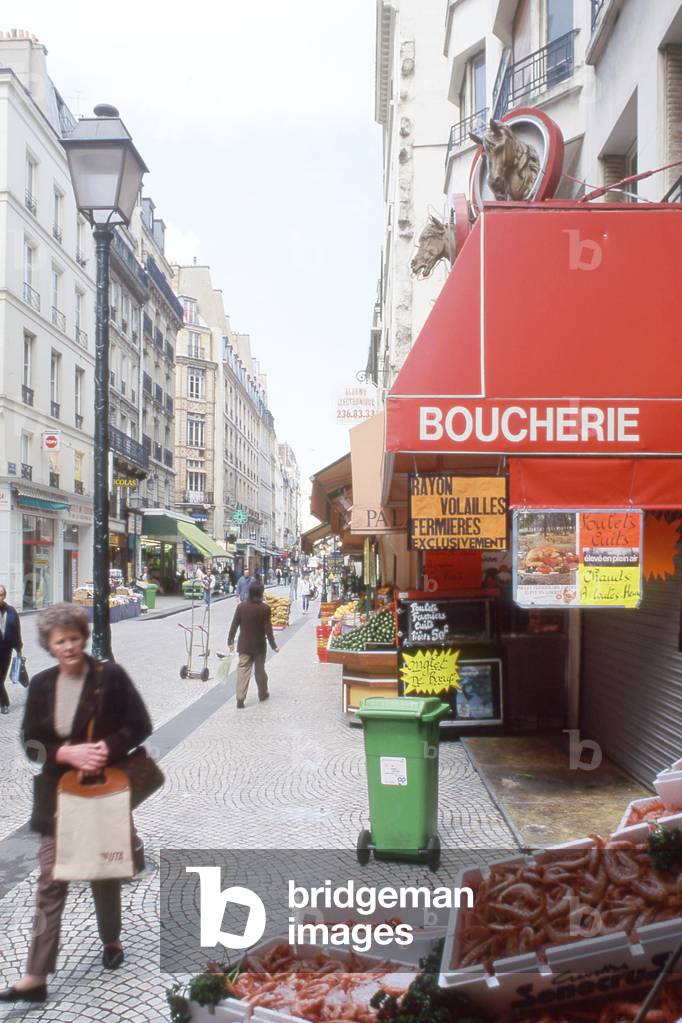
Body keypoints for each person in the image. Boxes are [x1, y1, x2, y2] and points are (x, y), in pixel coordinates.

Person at [0, 603, 152, 1005]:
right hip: (57, 797)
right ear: (49, 645)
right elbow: (30, 743)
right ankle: (35, 976)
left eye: (73, 638)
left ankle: (111, 939)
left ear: (84, 638)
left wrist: (106, 748)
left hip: (101, 790)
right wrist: (63, 753)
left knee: (103, 871)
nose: (68, 647)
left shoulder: (109, 677)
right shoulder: (42, 684)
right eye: (59, 641)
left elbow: (140, 724)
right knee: (51, 882)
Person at [227, 582, 278, 708]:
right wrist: (273, 645)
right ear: (261, 593)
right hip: (259, 646)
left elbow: (234, 624)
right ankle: (263, 693)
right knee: (260, 671)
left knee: (243, 671)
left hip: (244, 645)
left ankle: (240, 698)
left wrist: (230, 640)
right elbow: (268, 629)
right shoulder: (265, 608)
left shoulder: (241, 607)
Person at [0, 586, 22, 715]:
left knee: (1, 678)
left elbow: (17, 631)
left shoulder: (12, 611)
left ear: (4, 596)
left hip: (6, 650)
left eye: (1, 594)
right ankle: (4, 703)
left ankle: (3, 702)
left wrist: (19, 649)